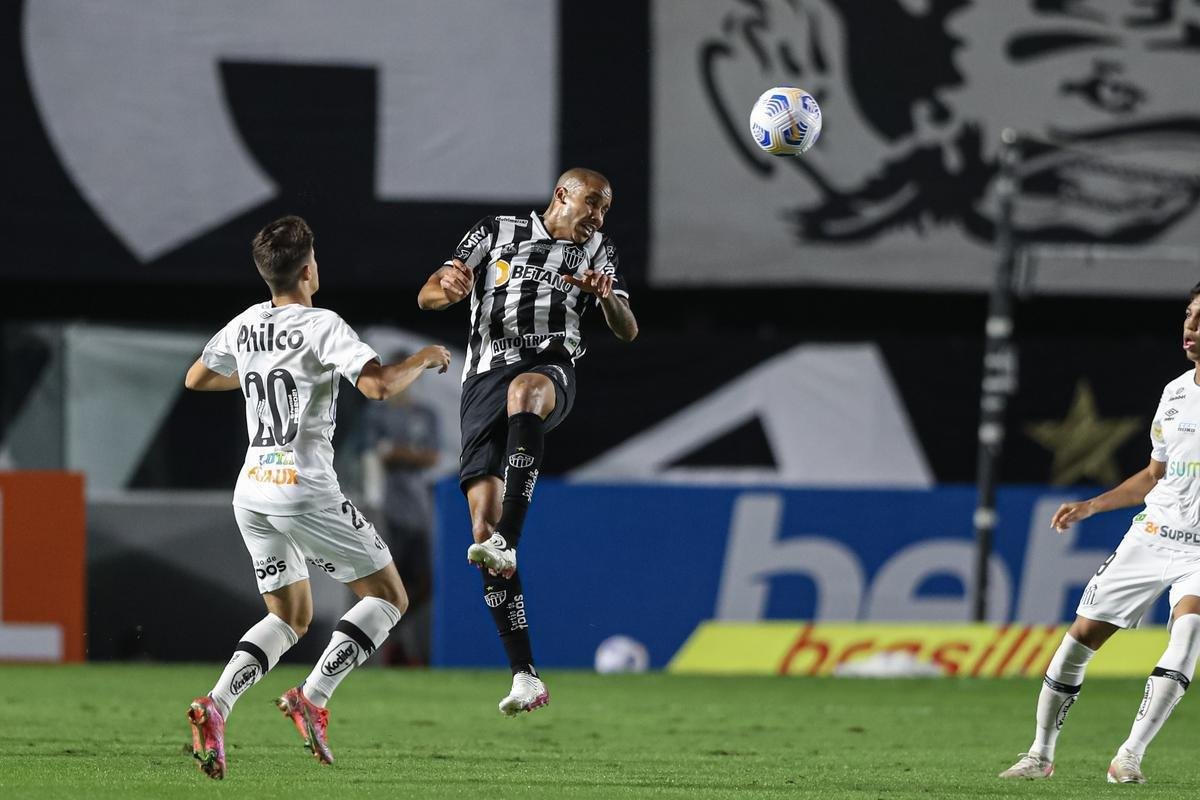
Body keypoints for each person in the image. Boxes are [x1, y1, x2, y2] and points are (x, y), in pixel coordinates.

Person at [181, 215, 450, 779]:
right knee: (389, 597)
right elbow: (377, 386)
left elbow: (198, 379)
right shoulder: (323, 324)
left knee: (289, 613)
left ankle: (216, 706)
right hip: (303, 490)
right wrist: (424, 358)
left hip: (251, 491)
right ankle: (314, 698)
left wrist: (263, 365)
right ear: (308, 270)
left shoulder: (248, 323)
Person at [417, 167, 638, 715]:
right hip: (482, 383)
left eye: (605, 208)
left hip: (549, 369)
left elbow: (627, 326)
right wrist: (446, 289)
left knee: (528, 389)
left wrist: (606, 298)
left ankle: (509, 536)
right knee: (480, 527)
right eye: (592, 203)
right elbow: (428, 295)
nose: (598, 216)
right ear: (562, 196)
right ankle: (525, 675)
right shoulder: (496, 231)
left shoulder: (598, 252)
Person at [999, 282, 1200, 784]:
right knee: (1079, 641)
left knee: (1189, 631)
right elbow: (1154, 474)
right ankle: (1039, 756)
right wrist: (1092, 505)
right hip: (1150, 536)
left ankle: (1129, 756)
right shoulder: (1175, 393)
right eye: (1190, 315)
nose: (1191, 328)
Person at [362, 358, 440, 664]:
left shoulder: (425, 415)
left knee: (423, 581)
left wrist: (401, 454)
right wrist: (407, 455)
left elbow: (430, 456)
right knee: (385, 579)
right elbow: (377, 454)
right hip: (387, 507)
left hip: (418, 507)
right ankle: (388, 649)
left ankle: (394, 638)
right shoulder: (377, 412)